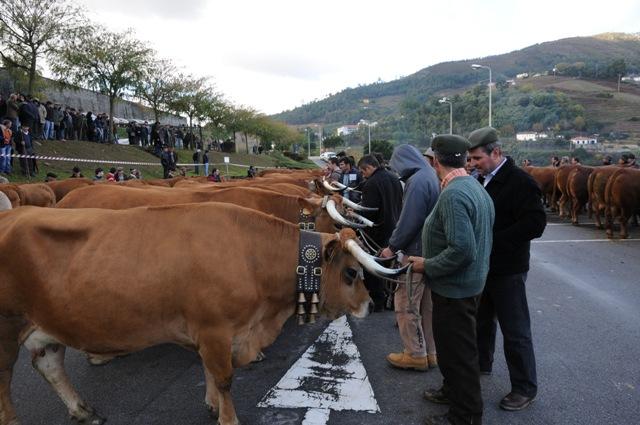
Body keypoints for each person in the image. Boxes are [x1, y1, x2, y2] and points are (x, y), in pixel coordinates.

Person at [409, 134, 494, 425]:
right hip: (468, 286)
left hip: (455, 290)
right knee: (453, 350)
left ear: (434, 161)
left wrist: (427, 265)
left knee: (459, 355)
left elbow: (462, 249)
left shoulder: (454, 194)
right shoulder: (473, 186)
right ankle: (452, 391)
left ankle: (465, 415)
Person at [468, 127, 546, 412]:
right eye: (471, 159)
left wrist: (494, 241)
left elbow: (535, 224)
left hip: (508, 268)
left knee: (516, 331)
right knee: (482, 320)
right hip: (486, 266)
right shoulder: (480, 180)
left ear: (496, 153)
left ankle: (525, 388)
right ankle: (482, 363)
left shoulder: (520, 182)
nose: (473, 163)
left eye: (477, 158)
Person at [380, 144, 440, 371]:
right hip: (430, 252)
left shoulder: (416, 182)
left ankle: (414, 353)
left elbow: (409, 221)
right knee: (427, 307)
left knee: (406, 304)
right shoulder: (430, 176)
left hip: (414, 254)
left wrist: (392, 247)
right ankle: (431, 353)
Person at [356, 154, 403, 311]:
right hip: (395, 230)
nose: (363, 175)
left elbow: (369, 211)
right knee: (391, 266)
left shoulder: (371, 184)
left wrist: (355, 212)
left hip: (376, 232)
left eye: (363, 172)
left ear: (368, 168)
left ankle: (378, 301)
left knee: (372, 267)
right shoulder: (394, 178)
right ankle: (391, 299)